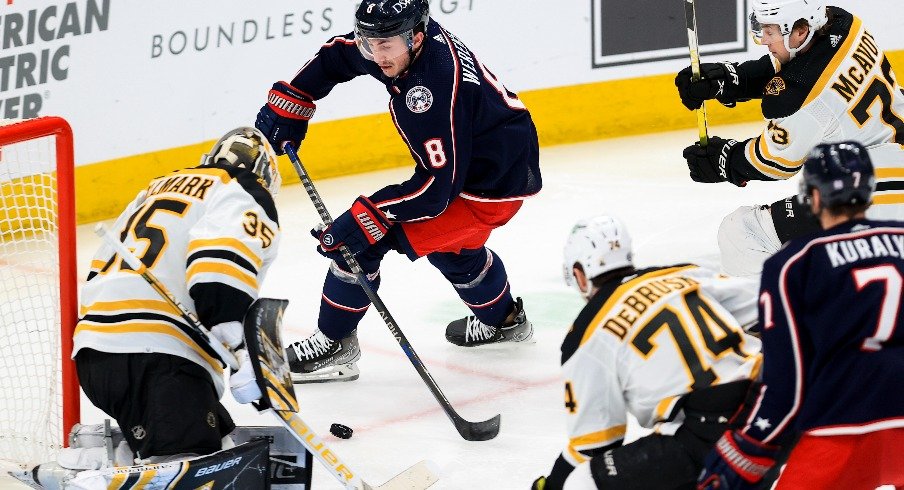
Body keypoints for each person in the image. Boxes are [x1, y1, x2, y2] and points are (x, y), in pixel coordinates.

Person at [254, 0, 541, 382]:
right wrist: (295, 98)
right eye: (368, 42)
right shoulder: (401, 45)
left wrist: (370, 214)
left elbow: (437, 191)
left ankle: (335, 345)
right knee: (453, 251)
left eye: (384, 45)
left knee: (361, 243)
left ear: (416, 38)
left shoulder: (432, 89)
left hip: (487, 191)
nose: (375, 54)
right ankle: (505, 322)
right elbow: (339, 56)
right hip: (490, 161)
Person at [47, 127, 282, 479]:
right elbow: (218, 266)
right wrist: (239, 348)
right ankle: (106, 470)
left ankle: (113, 450)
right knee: (201, 471)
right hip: (159, 363)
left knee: (216, 436)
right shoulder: (244, 190)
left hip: (95, 356)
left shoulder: (155, 187)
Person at [697, 141, 904, 489]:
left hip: (843, 430)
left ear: (813, 196)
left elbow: (785, 380)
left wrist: (748, 445)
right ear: (869, 191)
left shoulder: (793, 264)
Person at [675, 0, 904, 277]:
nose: (763, 40)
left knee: (742, 233)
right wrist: (733, 78)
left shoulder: (802, 99)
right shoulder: (844, 24)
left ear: (800, 31)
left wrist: (724, 159)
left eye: (770, 31)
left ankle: (783, 316)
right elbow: (799, 66)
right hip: (890, 157)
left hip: (883, 198)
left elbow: (774, 161)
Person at [532, 215, 762, 489]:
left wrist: (552, 485)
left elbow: (594, 444)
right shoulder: (683, 273)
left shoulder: (587, 334)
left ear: (580, 275)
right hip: (771, 402)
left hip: (708, 433)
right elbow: (772, 304)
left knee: (581, 482)